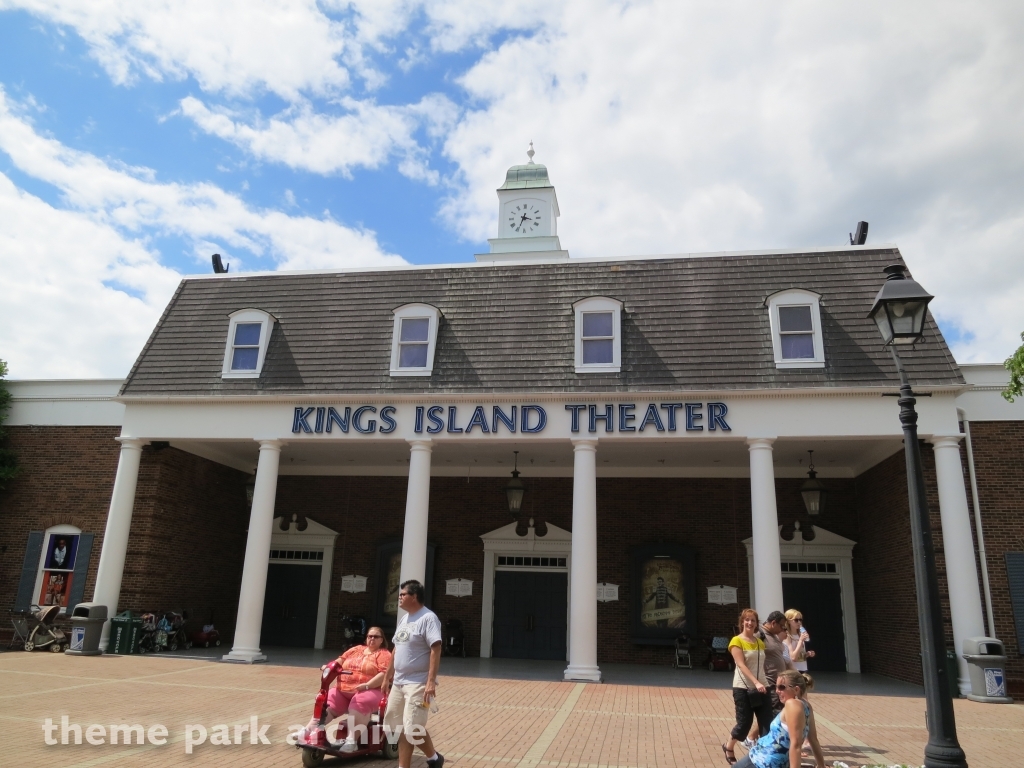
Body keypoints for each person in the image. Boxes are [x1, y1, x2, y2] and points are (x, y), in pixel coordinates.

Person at [298, 626, 392, 751]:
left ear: (382, 640)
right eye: (370, 636)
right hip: (344, 689)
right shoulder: (356, 649)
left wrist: (367, 685)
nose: (372, 639)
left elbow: (384, 674)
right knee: (327, 699)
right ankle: (309, 730)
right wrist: (329, 667)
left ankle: (351, 741)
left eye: (376, 637)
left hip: (371, 690)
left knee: (360, 701)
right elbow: (340, 661)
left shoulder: (384, 654)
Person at [383, 580, 444, 768]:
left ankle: (408, 765)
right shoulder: (404, 619)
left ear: (414, 597)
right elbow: (396, 648)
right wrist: (387, 677)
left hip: (417, 682)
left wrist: (431, 681)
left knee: (412, 728)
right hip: (399, 682)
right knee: (395, 725)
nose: (399, 597)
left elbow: (436, 648)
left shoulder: (428, 618)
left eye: (403, 594)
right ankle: (434, 758)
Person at [732, 669, 826, 768]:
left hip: (762, 761)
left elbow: (796, 745)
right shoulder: (806, 706)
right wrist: (821, 765)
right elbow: (813, 740)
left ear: (796, 689)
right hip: (766, 760)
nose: (777, 691)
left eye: (781, 687)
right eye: (776, 687)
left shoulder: (792, 704)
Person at [722, 609, 773, 765]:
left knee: (767, 723)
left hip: (763, 686)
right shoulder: (736, 641)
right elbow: (741, 665)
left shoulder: (759, 642)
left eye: (753, 620)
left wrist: (763, 683)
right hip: (743, 687)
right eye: (747, 620)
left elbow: (761, 665)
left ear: (757, 624)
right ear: (742, 622)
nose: (750, 623)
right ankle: (729, 747)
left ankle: (764, 756)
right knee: (744, 723)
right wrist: (755, 683)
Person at [744, 611, 794, 745]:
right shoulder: (760, 635)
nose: (783, 629)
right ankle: (758, 740)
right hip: (768, 681)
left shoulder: (774, 636)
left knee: (774, 712)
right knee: (773, 712)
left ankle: (753, 738)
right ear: (773, 623)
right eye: (782, 626)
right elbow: (750, 657)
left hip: (778, 681)